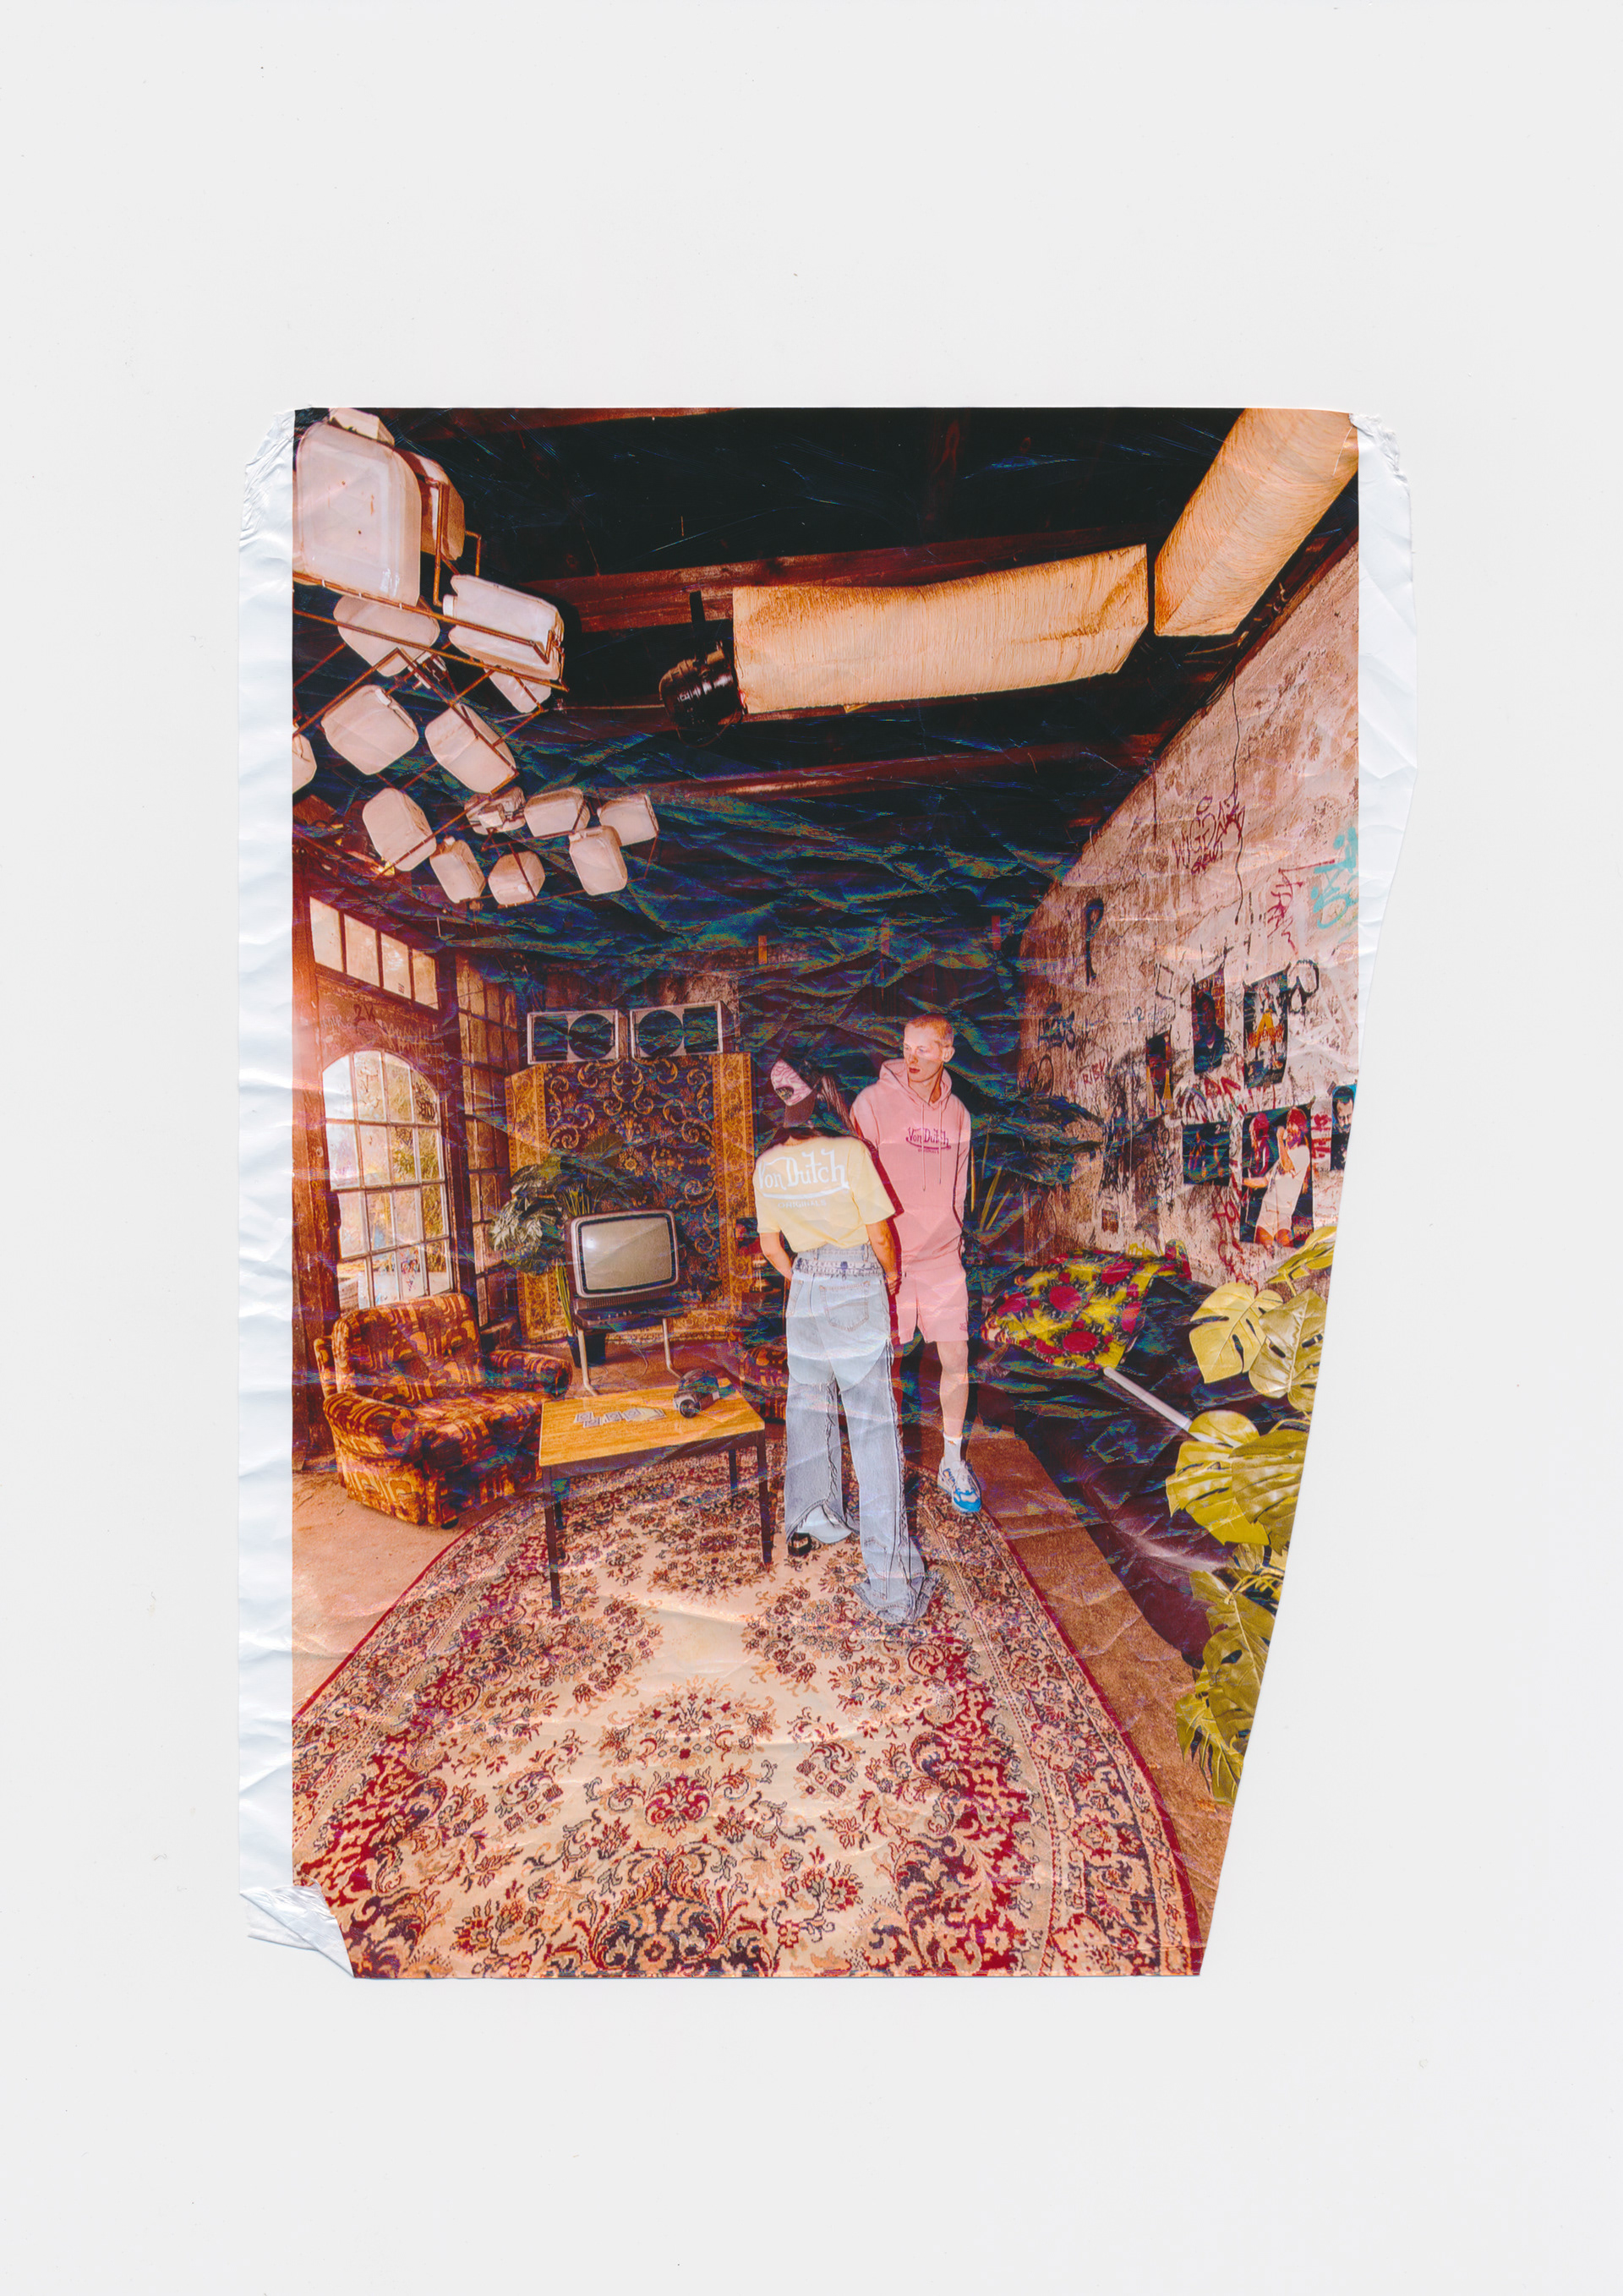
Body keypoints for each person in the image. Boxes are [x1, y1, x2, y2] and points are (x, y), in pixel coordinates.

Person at [753, 1058, 938, 1628]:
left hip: (805, 1290)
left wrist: (806, 1279)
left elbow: (771, 1247)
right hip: (856, 1280)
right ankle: (892, 1586)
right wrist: (889, 1277)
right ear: (827, 1096)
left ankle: (812, 1519)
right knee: (873, 1429)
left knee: (808, 1411)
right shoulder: (851, 1153)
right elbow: (880, 1233)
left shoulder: (767, 1164)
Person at [850, 1014, 979, 1514]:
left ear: (947, 1053)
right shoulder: (871, 1103)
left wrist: (956, 1234)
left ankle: (952, 1461)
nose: (912, 1057)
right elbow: (856, 1184)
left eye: (924, 1049)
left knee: (957, 1360)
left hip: (943, 1259)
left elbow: (960, 1185)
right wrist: (873, 1254)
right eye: (906, 1047)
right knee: (887, 1367)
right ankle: (883, 1468)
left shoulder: (959, 1114)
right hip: (891, 1260)